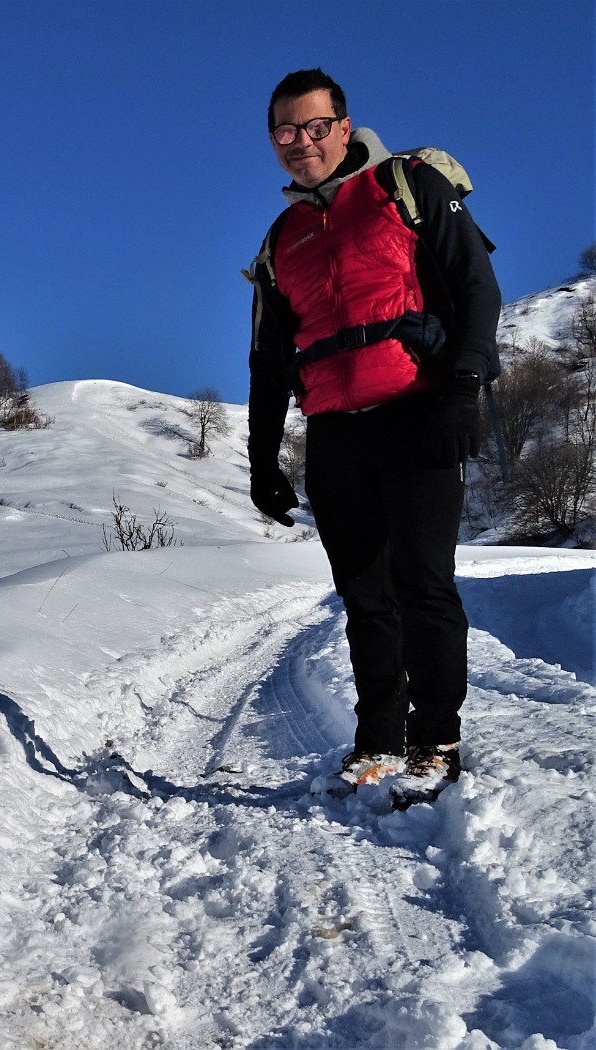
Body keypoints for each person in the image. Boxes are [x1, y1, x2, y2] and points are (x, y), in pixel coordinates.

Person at [246, 69, 501, 806]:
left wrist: (463, 389)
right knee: (364, 595)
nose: (302, 144)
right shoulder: (281, 239)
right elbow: (267, 360)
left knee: (422, 583)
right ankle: (378, 739)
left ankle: (436, 741)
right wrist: (263, 458)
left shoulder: (408, 185)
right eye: (286, 132)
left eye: (316, 126)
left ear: (345, 124)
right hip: (335, 434)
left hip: (419, 415)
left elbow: (477, 287)